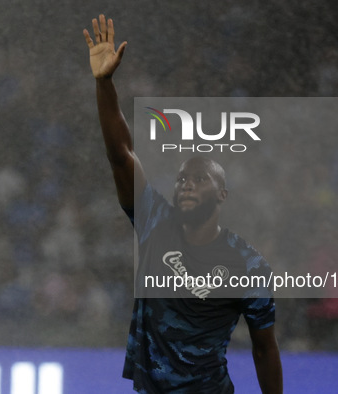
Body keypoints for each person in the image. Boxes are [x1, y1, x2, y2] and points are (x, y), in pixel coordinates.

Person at [83, 15, 283, 393]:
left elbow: (265, 349)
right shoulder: (155, 221)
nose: (186, 185)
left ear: (222, 195)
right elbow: (121, 154)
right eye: (181, 180)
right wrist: (104, 84)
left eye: (200, 179)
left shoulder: (249, 264)